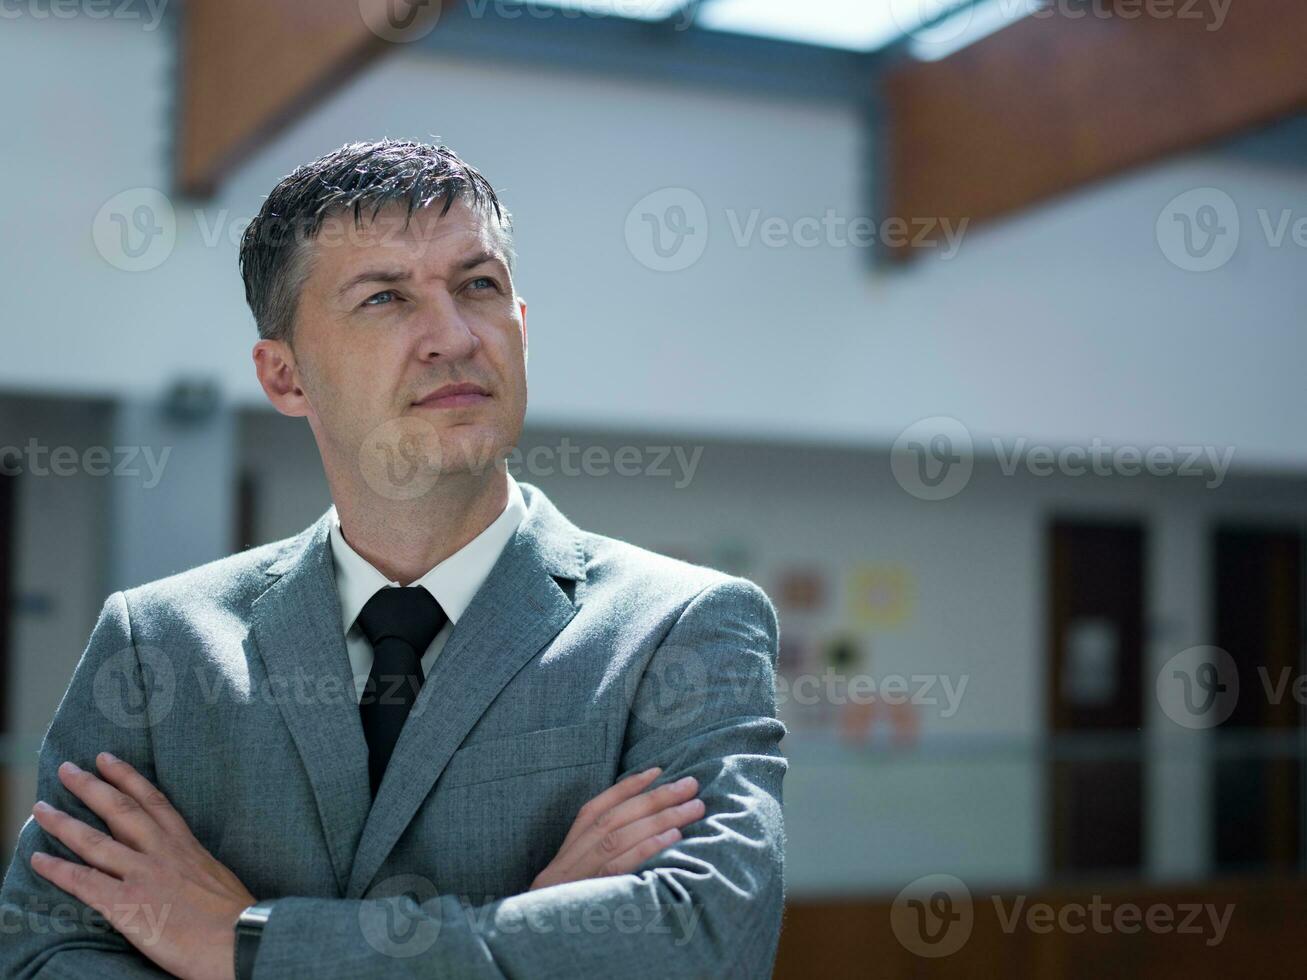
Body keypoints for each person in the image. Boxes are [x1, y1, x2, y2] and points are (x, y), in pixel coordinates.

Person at [0, 139, 787, 979]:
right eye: (384, 297)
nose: (451, 336)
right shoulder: (153, 640)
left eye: (478, 286)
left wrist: (244, 941)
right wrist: (526, 926)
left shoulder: (682, 627)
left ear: (521, 330)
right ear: (285, 376)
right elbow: (46, 956)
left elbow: (704, 944)